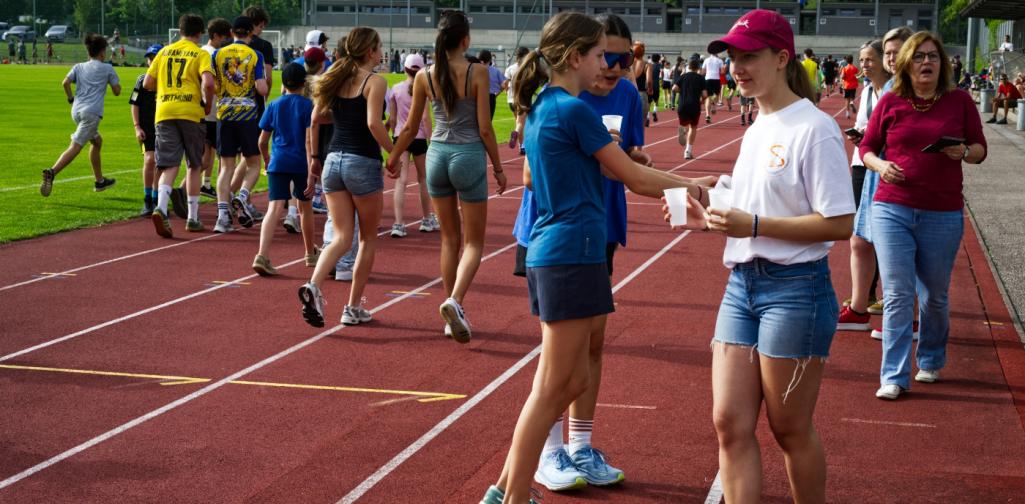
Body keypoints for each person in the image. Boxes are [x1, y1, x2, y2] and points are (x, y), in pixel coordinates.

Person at [482, 12, 719, 504]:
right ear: (574, 57)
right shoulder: (572, 111)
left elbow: (623, 170)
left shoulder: (549, 106)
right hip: (571, 250)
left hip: (569, 249)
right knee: (553, 387)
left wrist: (686, 183)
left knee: (571, 377)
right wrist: (693, 184)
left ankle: (506, 489)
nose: (605, 65)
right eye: (598, 56)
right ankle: (512, 495)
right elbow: (631, 176)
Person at [666, 10, 856, 503]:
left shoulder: (814, 128)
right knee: (729, 423)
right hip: (742, 284)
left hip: (797, 288)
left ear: (782, 57)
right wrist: (713, 198)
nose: (737, 67)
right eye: (732, 58)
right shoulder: (757, 126)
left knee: (790, 429)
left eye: (749, 56)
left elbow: (839, 222)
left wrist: (753, 225)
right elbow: (758, 202)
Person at [861, 31, 988, 400]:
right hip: (891, 207)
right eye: (919, 57)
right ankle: (894, 376)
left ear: (943, 63)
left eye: (933, 56)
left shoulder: (959, 101)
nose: (927, 62)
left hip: (942, 212)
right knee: (898, 293)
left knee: (934, 295)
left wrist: (964, 151)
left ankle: (930, 357)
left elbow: (980, 149)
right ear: (906, 64)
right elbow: (867, 147)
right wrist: (881, 166)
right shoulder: (892, 101)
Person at [388, 10, 505, 342]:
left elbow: (411, 127)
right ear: (465, 40)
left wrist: (394, 157)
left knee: (448, 240)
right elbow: (484, 127)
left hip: (437, 154)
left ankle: (449, 309)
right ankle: (455, 301)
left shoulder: (425, 75)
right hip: (467, 156)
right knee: (474, 243)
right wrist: (497, 168)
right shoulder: (478, 72)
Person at [299, 27, 396, 328]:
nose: (382, 53)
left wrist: (315, 157)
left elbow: (317, 117)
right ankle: (353, 307)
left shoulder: (335, 78)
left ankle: (314, 286)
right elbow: (373, 123)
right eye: (380, 47)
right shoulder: (374, 81)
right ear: (370, 51)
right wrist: (394, 153)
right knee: (366, 239)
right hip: (361, 162)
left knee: (341, 237)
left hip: (333, 161)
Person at [144, 13, 216, 238]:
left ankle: (161, 207)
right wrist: (207, 104)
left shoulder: (164, 51)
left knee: (169, 163)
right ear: (200, 32)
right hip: (190, 112)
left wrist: (165, 92)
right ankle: (193, 218)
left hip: (164, 111)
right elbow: (209, 83)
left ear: (180, 30)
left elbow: (148, 82)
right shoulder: (200, 53)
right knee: (194, 164)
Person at [837, 39, 892, 333]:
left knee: (886, 236)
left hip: (888, 167)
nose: (865, 65)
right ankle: (865, 299)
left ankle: (893, 302)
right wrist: (860, 136)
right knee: (861, 234)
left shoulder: (897, 90)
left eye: (870, 59)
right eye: (862, 60)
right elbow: (864, 124)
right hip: (864, 164)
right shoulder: (868, 90)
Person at [253, 63, 317, 276]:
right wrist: (311, 171)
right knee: (304, 209)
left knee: (274, 208)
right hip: (300, 162)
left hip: (278, 162)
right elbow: (309, 141)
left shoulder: (273, 105)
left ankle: (262, 254)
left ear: (284, 83)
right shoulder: (308, 106)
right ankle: (309, 253)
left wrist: (266, 159)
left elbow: (262, 141)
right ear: (304, 83)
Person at [40, 33, 121, 198]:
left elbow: (65, 82)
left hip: (76, 111)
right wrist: (111, 83)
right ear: (102, 52)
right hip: (91, 113)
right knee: (75, 147)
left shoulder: (79, 66)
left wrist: (71, 98)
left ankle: (99, 182)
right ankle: (52, 172)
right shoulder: (107, 68)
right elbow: (117, 91)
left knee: (97, 142)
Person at [211, 16, 269, 233]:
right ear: (251, 32)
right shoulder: (255, 55)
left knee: (225, 167)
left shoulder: (218, 54)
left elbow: (213, 83)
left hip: (224, 113)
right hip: (247, 116)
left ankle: (223, 217)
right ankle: (243, 195)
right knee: (254, 163)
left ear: (232, 32)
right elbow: (262, 89)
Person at [387, 53, 436, 237]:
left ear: (405, 68)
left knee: (401, 180)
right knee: (423, 179)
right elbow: (424, 117)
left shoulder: (395, 89)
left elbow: (392, 119)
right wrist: (431, 140)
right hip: (419, 137)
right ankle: (426, 219)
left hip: (401, 136)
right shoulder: (422, 89)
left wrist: (394, 134)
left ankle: (399, 223)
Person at [198, 18, 232, 201]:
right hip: (212, 112)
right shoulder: (214, 55)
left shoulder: (201, 51)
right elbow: (210, 84)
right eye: (225, 37)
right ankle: (182, 189)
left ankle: (206, 184)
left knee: (208, 154)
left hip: (204, 110)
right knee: (220, 157)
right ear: (216, 36)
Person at [130, 44, 163, 216]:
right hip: (147, 128)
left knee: (161, 163)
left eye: (154, 58)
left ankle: (158, 199)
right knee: (150, 160)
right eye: (149, 58)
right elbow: (134, 105)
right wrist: (137, 127)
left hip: (164, 127)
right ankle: (147, 199)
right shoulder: (142, 80)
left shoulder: (166, 80)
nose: (151, 61)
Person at [672, 59, 706, 159]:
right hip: (694, 104)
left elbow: (674, 88)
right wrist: (702, 100)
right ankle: (688, 151)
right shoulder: (700, 78)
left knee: (684, 123)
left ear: (689, 67)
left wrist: (682, 91)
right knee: (693, 127)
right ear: (698, 68)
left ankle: (682, 130)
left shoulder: (683, 76)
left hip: (682, 104)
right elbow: (704, 94)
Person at [506, 46, 530, 150]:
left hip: (511, 100)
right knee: (521, 123)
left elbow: (505, 84)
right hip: (522, 99)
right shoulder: (528, 68)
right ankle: (518, 139)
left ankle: (521, 145)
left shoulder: (510, 68)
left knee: (518, 121)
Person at [479, 49, 507, 119]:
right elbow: (504, 84)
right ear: (490, 59)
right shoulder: (495, 71)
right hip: (491, 97)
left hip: (479, 96)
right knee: (489, 120)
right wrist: (497, 93)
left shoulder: (475, 69)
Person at [701, 50, 724, 123]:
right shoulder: (719, 60)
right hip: (716, 79)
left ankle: (707, 115)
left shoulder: (706, 60)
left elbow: (703, 72)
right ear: (716, 53)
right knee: (717, 94)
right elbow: (722, 72)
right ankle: (714, 104)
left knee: (708, 97)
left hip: (708, 79)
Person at [631, 42, 651, 126]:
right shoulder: (647, 65)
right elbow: (649, 80)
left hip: (628, 93)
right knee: (640, 126)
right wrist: (650, 89)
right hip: (641, 94)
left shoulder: (627, 63)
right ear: (643, 52)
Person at [840, 54, 859, 118]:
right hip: (853, 85)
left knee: (847, 100)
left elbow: (842, 76)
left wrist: (843, 77)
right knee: (852, 98)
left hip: (846, 85)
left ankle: (847, 113)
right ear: (852, 60)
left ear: (847, 61)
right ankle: (852, 102)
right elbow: (857, 75)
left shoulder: (844, 68)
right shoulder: (855, 68)